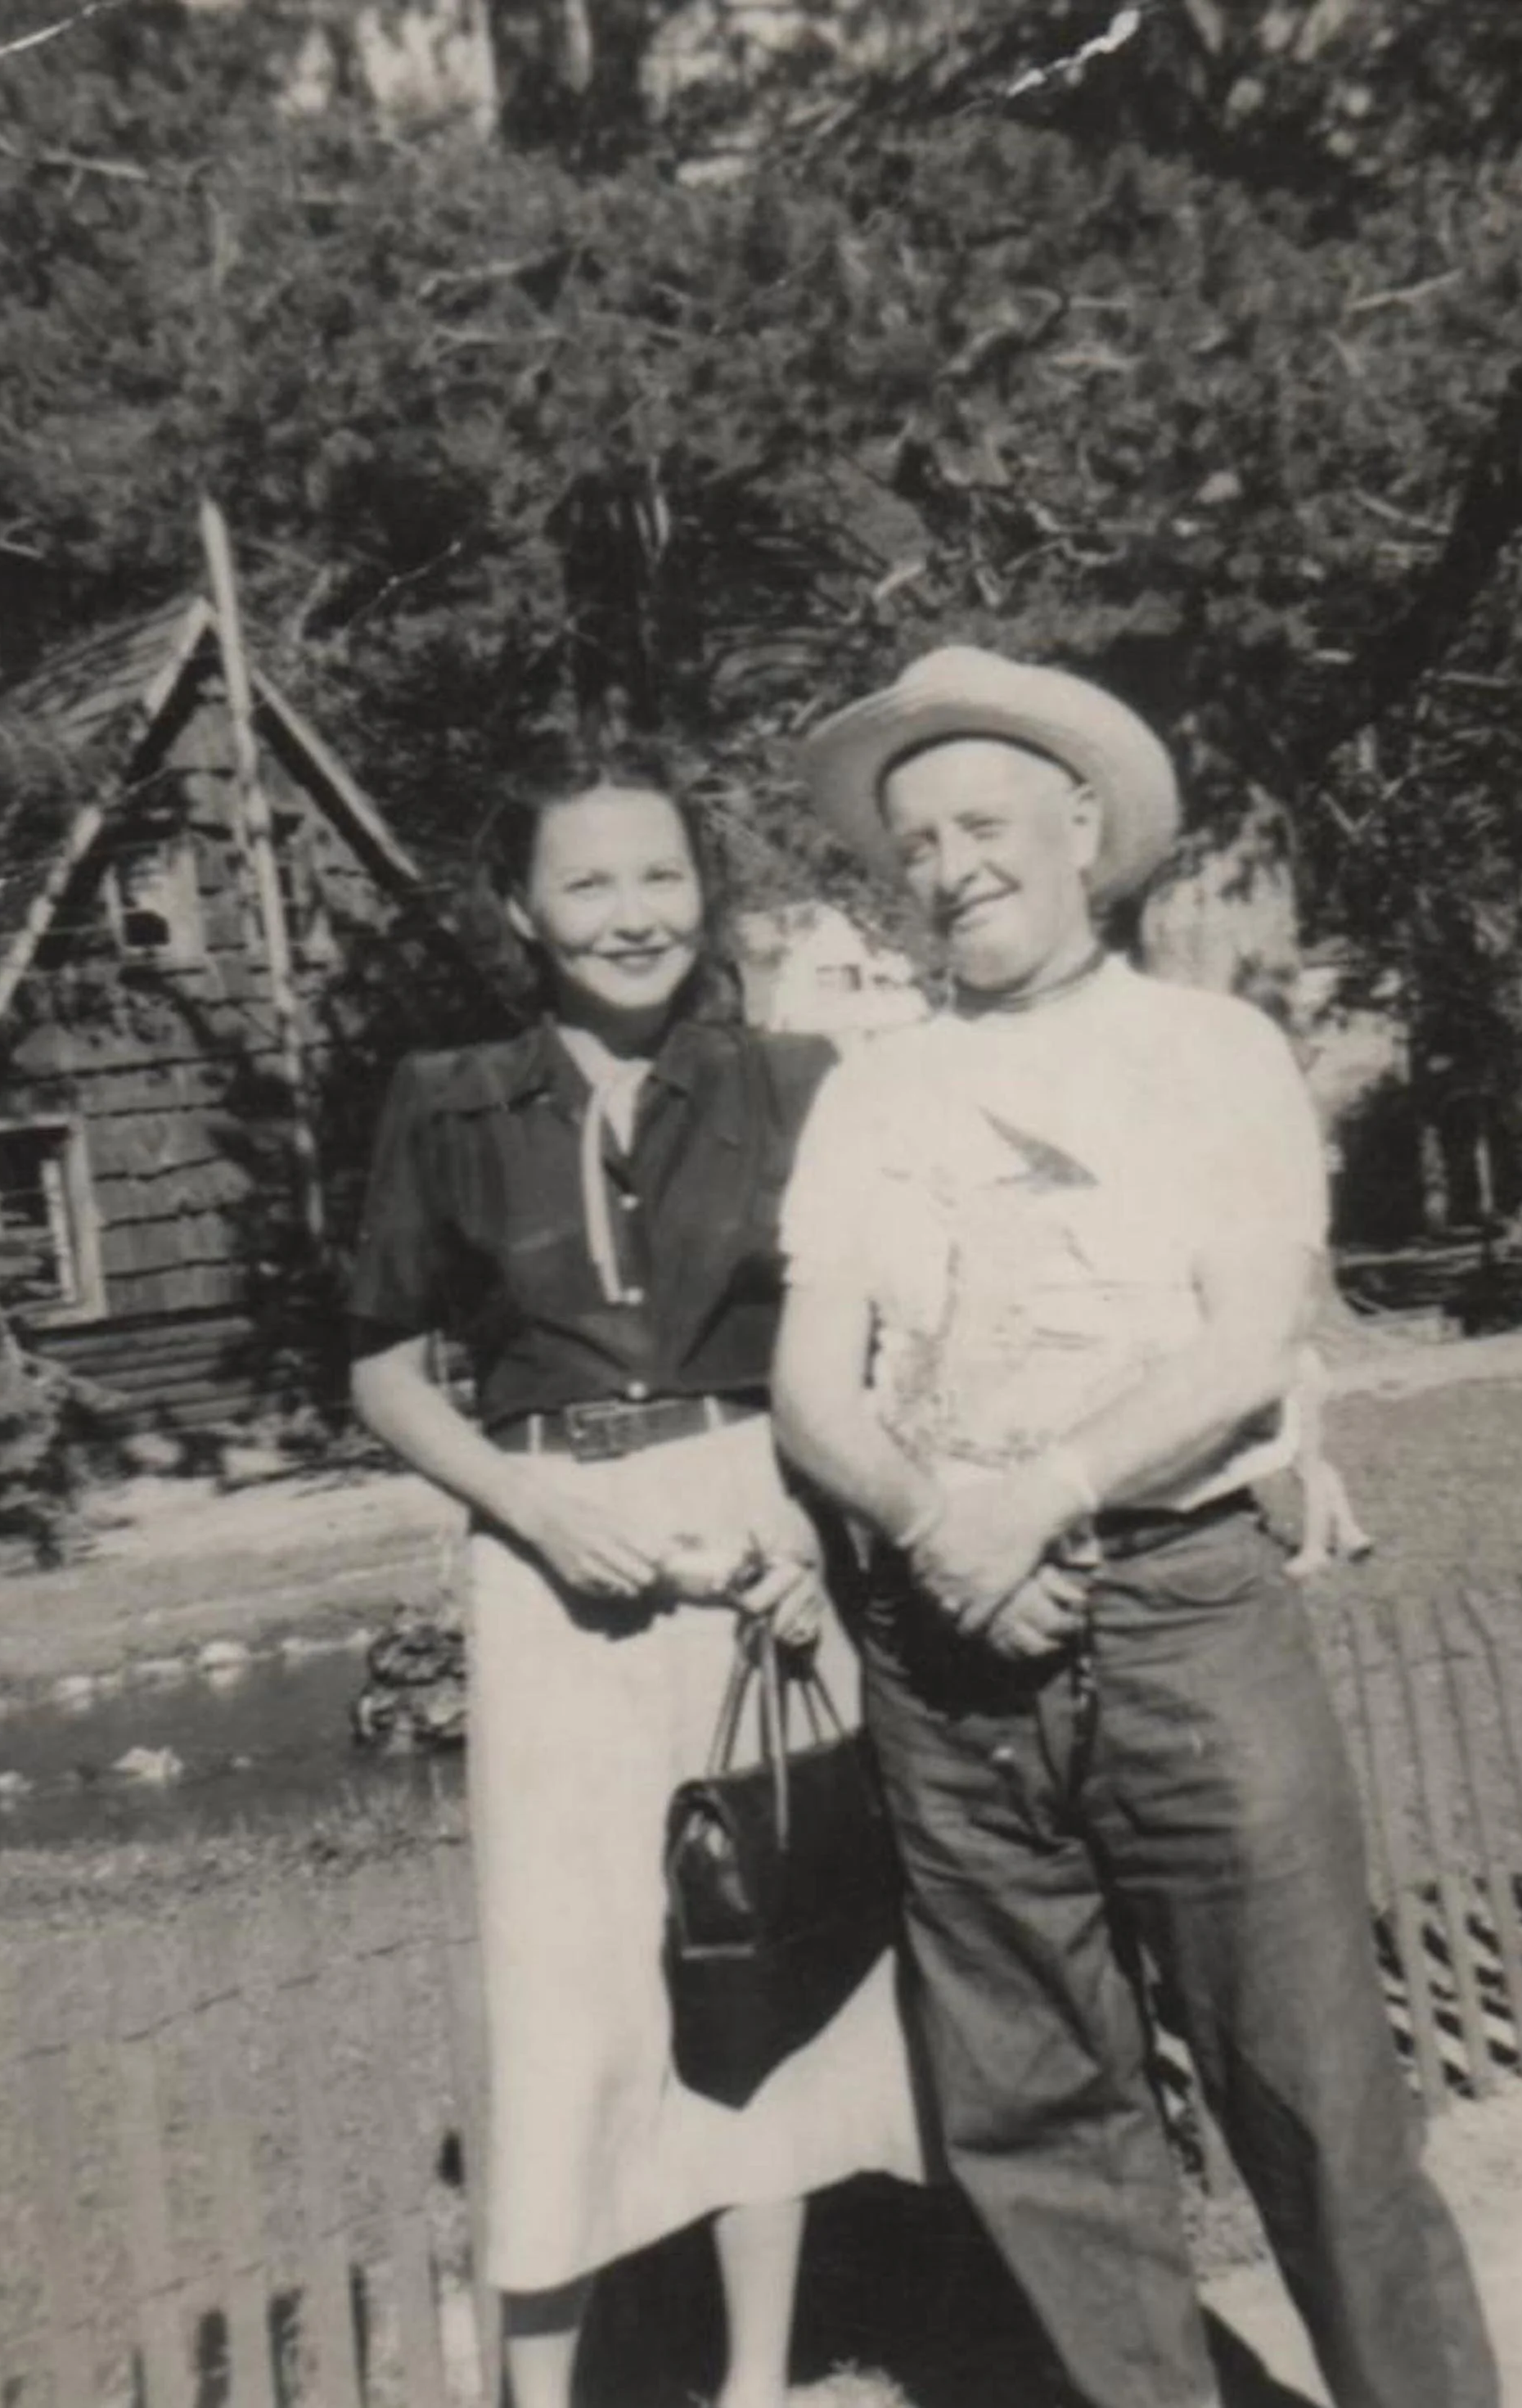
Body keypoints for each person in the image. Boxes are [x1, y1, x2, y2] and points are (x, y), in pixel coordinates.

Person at [770, 648, 1500, 2408]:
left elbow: (1246, 1335)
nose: (953, 864)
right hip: (946, 1661)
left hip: (1183, 1616)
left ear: (1081, 828)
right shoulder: (871, 1090)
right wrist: (948, 1530)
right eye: (917, 837)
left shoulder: (1209, 1050)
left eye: (988, 822)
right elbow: (815, 1386)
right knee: (1036, 2117)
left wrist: (1035, 1501)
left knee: (1318, 2094)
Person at [346, 768, 921, 2408]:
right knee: (567, 1980)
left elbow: (861, 1339)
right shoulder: (447, 1100)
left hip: (766, 1540)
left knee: (764, 1937)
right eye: (587, 886)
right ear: (521, 913)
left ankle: (753, 2382)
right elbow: (385, 1370)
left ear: (704, 892)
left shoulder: (796, 1083)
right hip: (553, 1563)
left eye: (661, 876)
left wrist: (814, 1539)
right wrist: (528, 1499)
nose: (631, 914)